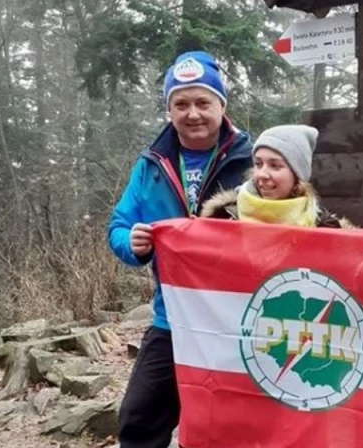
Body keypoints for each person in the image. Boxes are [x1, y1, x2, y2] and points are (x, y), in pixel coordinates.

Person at [108, 51, 253, 448]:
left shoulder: (252, 161)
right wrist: (132, 245)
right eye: (181, 103)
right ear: (169, 109)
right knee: (139, 420)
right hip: (171, 317)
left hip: (236, 322)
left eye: (203, 102)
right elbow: (118, 227)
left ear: (222, 105)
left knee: (229, 427)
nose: (193, 114)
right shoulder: (151, 164)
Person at [200, 124, 350, 229]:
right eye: (258, 164)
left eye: (275, 166)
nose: (262, 174)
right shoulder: (224, 216)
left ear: (297, 175)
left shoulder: (325, 227)